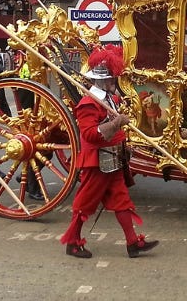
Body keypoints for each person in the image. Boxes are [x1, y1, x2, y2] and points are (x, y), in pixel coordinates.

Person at [61, 45, 158, 259]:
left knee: (122, 201)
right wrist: (116, 123)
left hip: (112, 160)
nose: (115, 83)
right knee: (85, 203)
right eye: (112, 80)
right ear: (103, 81)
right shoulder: (88, 103)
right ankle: (73, 242)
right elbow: (90, 135)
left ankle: (133, 243)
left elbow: (114, 131)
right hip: (96, 162)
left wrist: (125, 143)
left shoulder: (111, 100)